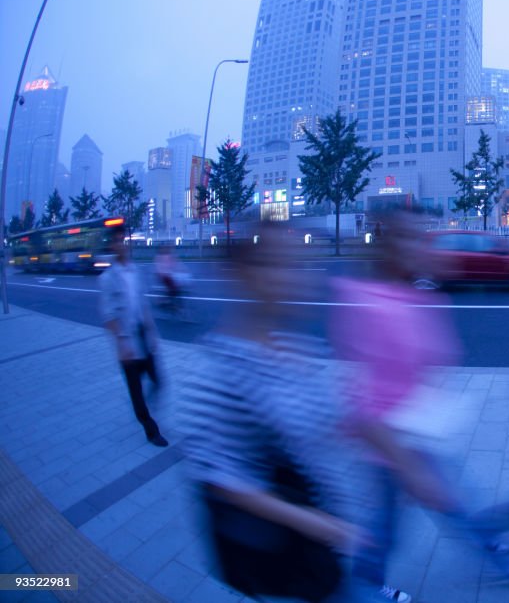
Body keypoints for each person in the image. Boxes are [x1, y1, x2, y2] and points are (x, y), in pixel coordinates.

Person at [332, 205, 509, 602]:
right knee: (432, 514)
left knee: (439, 511)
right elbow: (361, 400)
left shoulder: (414, 296)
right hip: (394, 443)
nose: (421, 246)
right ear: (387, 248)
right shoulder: (370, 303)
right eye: (409, 239)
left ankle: (502, 564)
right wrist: (407, 466)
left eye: (420, 237)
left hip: (418, 432)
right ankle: (365, 587)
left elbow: (432, 358)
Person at [178, 221, 362, 602]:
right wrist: (322, 526)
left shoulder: (294, 342)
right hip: (281, 556)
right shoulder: (216, 371)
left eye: (298, 265)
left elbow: (321, 426)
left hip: (320, 540)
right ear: (243, 274)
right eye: (278, 265)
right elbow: (224, 481)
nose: (294, 278)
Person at [98, 224, 167, 447]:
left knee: (158, 379)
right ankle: (150, 429)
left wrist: (153, 333)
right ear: (112, 245)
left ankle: (145, 406)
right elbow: (109, 315)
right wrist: (121, 343)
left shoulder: (136, 271)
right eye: (117, 241)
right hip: (126, 340)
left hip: (143, 335)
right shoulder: (107, 278)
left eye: (123, 240)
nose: (121, 244)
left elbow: (142, 305)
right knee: (136, 390)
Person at [154, 244, 188, 315]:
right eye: (164, 249)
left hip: (170, 277)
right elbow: (159, 269)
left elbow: (176, 265)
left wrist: (182, 270)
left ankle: (163, 302)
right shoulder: (159, 257)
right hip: (164, 277)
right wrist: (163, 273)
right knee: (174, 290)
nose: (167, 250)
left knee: (173, 291)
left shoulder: (169, 256)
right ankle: (176, 307)